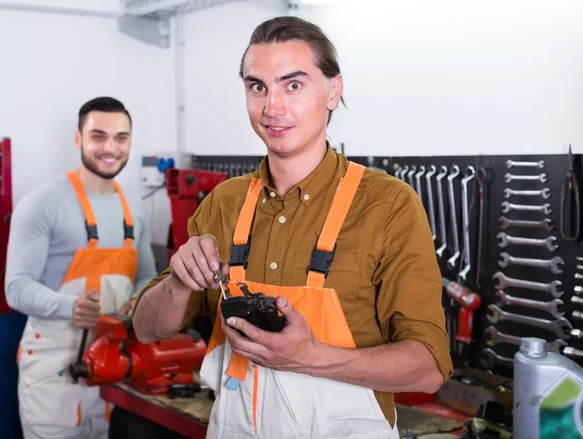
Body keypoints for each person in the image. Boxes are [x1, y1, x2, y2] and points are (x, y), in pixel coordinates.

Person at [132, 16, 452, 439]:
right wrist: (177, 282)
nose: (272, 107)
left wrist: (312, 356)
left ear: (333, 91)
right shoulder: (223, 204)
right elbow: (146, 328)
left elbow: (429, 367)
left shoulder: (388, 205)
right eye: (257, 86)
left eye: (293, 85)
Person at [5, 97, 158, 439]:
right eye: (98, 136)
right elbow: (16, 286)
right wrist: (70, 307)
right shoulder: (43, 204)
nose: (110, 147)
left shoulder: (133, 205)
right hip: (53, 369)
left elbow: (147, 274)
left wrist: (139, 298)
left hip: (114, 364)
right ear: (78, 139)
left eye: (121, 137)